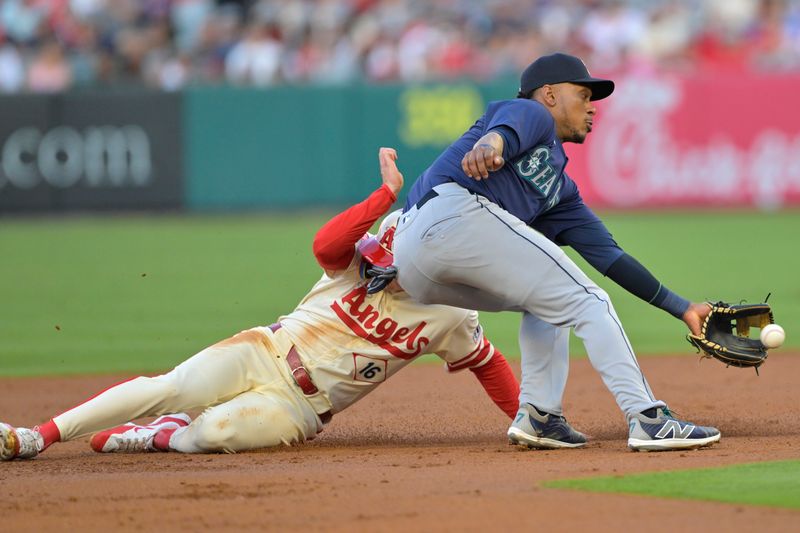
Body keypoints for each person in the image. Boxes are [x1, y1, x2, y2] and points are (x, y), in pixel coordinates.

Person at [0, 148, 519, 461]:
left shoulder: (451, 314)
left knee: (213, 432)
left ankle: (163, 436)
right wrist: (384, 196)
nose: (387, 262)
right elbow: (325, 247)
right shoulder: (368, 252)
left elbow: (488, 364)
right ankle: (36, 437)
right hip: (265, 348)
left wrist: (527, 420)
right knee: (170, 386)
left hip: (299, 409)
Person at [392, 52, 720, 452]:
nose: (591, 107)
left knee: (547, 300)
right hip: (452, 211)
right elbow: (505, 130)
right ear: (549, 94)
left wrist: (682, 308)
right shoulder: (533, 114)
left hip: (413, 258)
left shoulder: (560, 192)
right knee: (589, 302)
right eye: (582, 95)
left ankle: (540, 415)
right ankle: (648, 418)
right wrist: (489, 143)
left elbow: (610, 258)